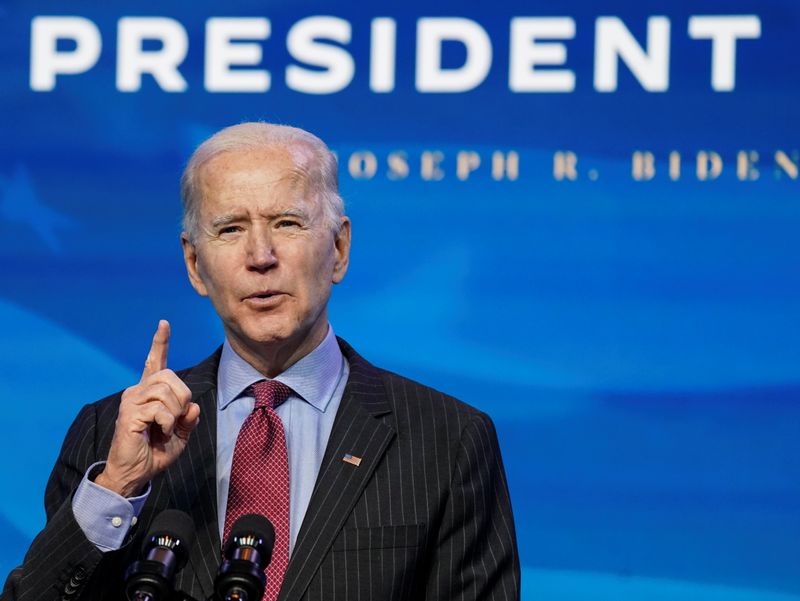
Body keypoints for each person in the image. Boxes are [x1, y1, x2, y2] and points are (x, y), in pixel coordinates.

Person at [2, 122, 520, 601]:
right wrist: (118, 488)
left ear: (338, 248)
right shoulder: (107, 434)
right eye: (230, 229)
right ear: (194, 265)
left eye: (287, 223)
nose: (260, 255)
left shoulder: (447, 439)